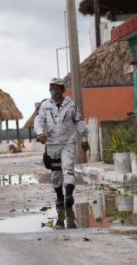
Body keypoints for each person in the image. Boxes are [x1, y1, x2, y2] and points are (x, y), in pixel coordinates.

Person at [35, 78, 89, 208]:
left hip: (68, 143)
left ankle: (69, 195)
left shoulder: (71, 105)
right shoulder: (45, 106)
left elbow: (79, 121)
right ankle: (60, 196)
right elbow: (39, 121)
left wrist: (84, 139)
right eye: (51, 88)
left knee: (68, 167)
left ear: (63, 90)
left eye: (56, 88)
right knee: (56, 172)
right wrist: (40, 133)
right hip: (52, 145)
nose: (53, 90)